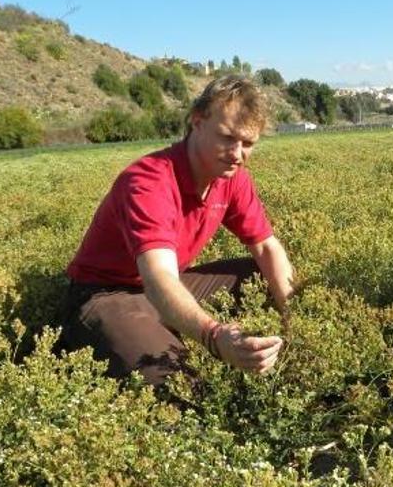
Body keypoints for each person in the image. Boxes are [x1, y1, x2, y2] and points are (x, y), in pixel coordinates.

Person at [60, 75, 294, 386]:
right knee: (179, 385)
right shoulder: (149, 181)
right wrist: (214, 337)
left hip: (167, 283)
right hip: (107, 295)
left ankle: (181, 331)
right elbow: (159, 279)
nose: (237, 154)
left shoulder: (231, 178)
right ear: (197, 122)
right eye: (227, 137)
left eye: (248, 143)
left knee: (261, 275)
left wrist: (295, 320)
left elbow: (267, 248)